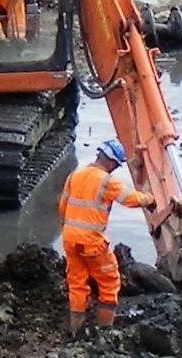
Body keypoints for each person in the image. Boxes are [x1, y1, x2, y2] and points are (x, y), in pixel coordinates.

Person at [59, 140, 152, 335]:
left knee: (77, 283)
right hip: (91, 241)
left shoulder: (75, 175)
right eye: (116, 165)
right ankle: (105, 332)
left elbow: (62, 207)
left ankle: (76, 331)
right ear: (111, 162)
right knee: (109, 282)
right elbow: (130, 199)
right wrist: (150, 199)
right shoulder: (106, 180)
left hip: (69, 238)